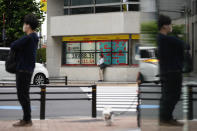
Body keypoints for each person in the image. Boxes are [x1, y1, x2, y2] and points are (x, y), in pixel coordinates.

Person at [157, 15, 186, 126]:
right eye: (170, 24)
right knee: (173, 96)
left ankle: (164, 118)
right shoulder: (167, 39)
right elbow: (184, 45)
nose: (171, 26)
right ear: (165, 26)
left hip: (166, 71)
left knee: (166, 96)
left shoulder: (161, 39)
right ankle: (166, 118)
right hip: (172, 72)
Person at [11, 14, 39, 127]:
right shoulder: (34, 37)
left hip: (23, 70)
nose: (24, 25)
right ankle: (27, 119)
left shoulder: (29, 37)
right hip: (28, 69)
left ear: (28, 25)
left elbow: (14, 45)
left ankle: (27, 120)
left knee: (22, 95)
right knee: (24, 95)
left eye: (25, 23)